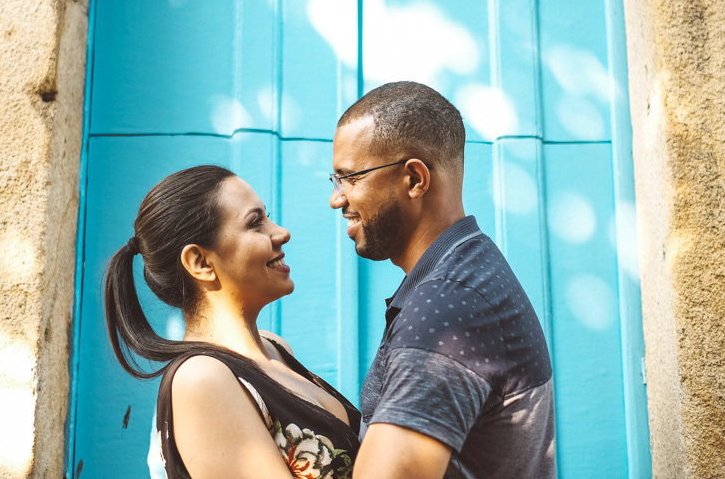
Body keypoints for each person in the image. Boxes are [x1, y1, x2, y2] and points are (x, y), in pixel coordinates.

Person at [329, 82, 556, 479]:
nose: (337, 199)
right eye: (335, 180)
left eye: (351, 178)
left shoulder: (449, 307)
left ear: (415, 179)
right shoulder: (469, 273)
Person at [105, 165, 360, 479]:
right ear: (200, 262)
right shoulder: (202, 379)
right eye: (256, 223)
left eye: (267, 217)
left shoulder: (275, 348)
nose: (281, 232)